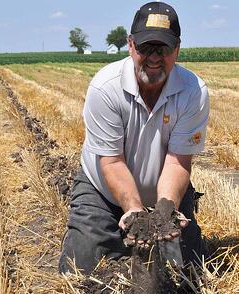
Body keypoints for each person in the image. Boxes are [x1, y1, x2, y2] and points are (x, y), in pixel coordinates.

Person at [59, 1, 210, 275]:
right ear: (130, 45)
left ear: (177, 49)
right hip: (102, 190)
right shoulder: (106, 88)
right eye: (145, 47)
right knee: (81, 268)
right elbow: (112, 162)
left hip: (163, 189)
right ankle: (90, 230)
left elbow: (178, 161)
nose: (154, 57)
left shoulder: (193, 92)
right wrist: (134, 211)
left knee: (184, 268)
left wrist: (165, 211)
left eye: (162, 48)